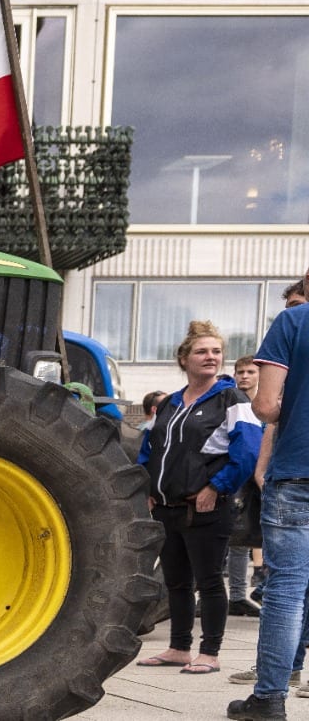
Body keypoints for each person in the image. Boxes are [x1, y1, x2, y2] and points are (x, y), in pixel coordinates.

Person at [138, 320, 261, 676]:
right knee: (176, 582)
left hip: (207, 507)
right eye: (202, 351)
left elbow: (247, 450)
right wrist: (146, 489)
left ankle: (210, 652)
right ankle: (179, 648)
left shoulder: (231, 398)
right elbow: (149, 448)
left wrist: (217, 487)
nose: (211, 357)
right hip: (166, 507)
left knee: (209, 581)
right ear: (183, 358)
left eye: (217, 352)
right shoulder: (170, 403)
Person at [231, 275, 309, 719]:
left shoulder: (293, 321)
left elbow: (264, 406)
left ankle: (269, 700)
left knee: (286, 591)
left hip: (298, 470)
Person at [231, 357, 265, 617]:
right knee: (233, 539)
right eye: (240, 372)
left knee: (250, 538)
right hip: (237, 479)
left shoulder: (265, 405)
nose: (244, 376)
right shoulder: (231, 402)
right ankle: (236, 594)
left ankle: (244, 593)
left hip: (261, 479)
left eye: (250, 372)